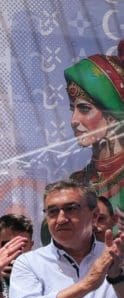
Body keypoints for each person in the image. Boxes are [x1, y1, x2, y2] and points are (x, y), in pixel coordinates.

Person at [64, 41, 124, 215]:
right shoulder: (77, 182)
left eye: (84, 109)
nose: (73, 120)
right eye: (72, 109)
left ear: (112, 115)